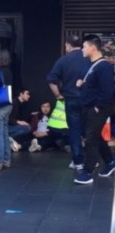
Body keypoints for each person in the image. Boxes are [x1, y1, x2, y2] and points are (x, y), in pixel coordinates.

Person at [73, 35, 115, 185]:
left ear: (92, 47)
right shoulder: (93, 65)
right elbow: (94, 86)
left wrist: (98, 106)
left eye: (84, 46)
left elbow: (108, 90)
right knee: (95, 136)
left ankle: (87, 172)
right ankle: (110, 162)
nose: (82, 49)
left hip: (97, 109)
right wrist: (81, 84)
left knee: (90, 139)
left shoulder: (104, 66)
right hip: (89, 107)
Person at [46, 35, 90, 172]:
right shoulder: (89, 59)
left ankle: (78, 161)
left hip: (70, 100)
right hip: (88, 100)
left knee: (74, 131)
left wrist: (58, 95)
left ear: (69, 45)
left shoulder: (63, 60)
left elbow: (51, 80)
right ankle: (92, 160)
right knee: (91, 131)